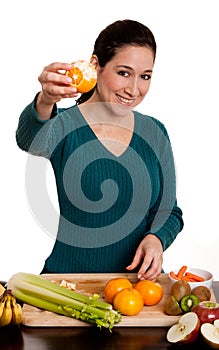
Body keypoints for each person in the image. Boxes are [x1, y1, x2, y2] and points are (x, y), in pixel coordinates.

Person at [16, 19, 183, 281]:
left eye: (145, 76)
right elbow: (29, 138)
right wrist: (46, 99)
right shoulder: (65, 125)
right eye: (124, 73)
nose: (134, 89)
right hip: (68, 284)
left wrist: (157, 238)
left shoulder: (155, 132)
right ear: (95, 66)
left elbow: (169, 211)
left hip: (138, 290)